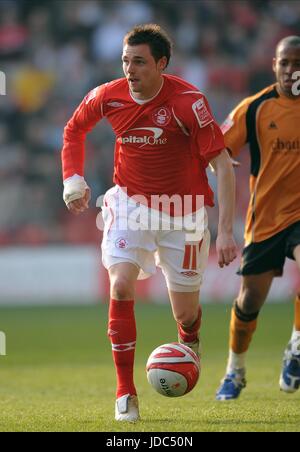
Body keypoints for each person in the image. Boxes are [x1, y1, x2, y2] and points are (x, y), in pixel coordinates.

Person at [61, 24, 237, 421]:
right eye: (125, 60)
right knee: (121, 285)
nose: (129, 69)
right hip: (129, 206)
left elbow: (223, 166)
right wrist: (74, 179)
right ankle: (126, 393)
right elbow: (74, 129)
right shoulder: (109, 96)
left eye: (138, 62)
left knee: (186, 314)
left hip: (186, 213)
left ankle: (188, 340)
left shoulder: (188, 102)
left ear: (161, 64)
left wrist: (225, 230)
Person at [216, 36, 300, 401]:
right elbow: (218, 145)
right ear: (274, 65)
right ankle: (235, 370)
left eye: (296, 62)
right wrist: (218, 157)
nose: (290, 69)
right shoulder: (256, 108)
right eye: (284, 62)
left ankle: (296, 347)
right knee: (250, 301)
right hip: (265, 218)